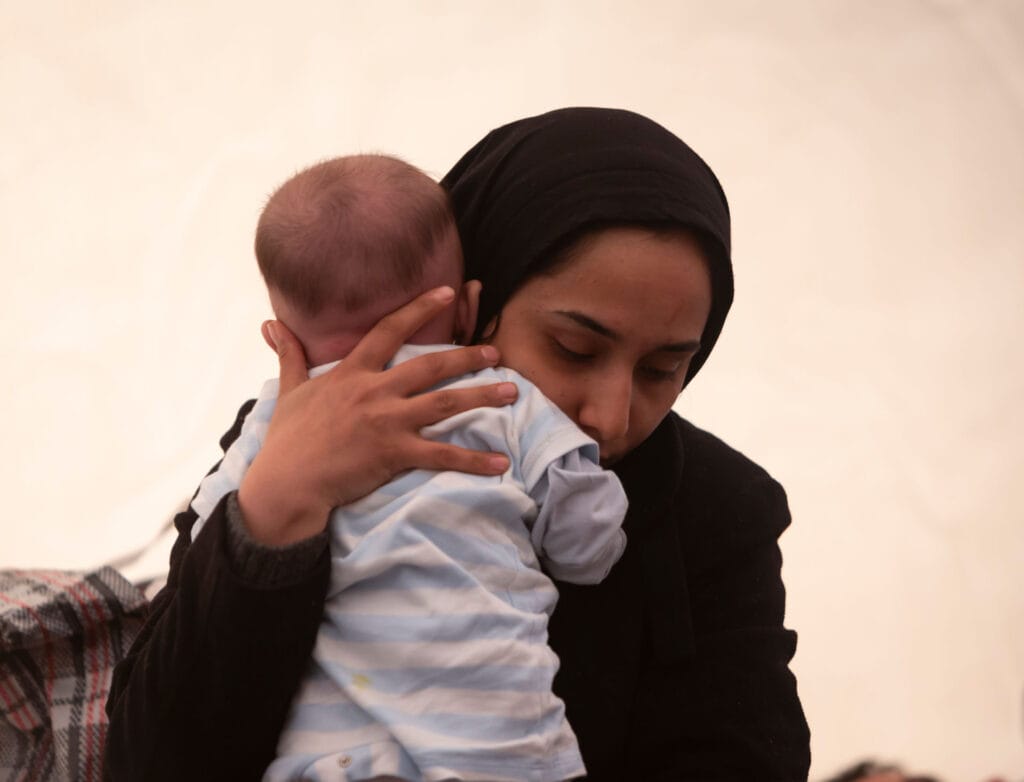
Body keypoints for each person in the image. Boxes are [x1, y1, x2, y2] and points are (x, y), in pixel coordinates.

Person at [104, 107, 811, 781]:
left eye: (662, 369)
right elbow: (148, 764)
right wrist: (275, 514)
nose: (610, 417)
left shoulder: (720, 509)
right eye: (573, 348)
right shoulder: (294, 437)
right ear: (469, 303)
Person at [187, 153, 627, 781]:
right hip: (497, 753)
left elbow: (209, 546)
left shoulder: (276, 422)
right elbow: (584, 544)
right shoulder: (501, 396)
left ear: (283, 334)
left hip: (329, 760)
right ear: (468, 306)